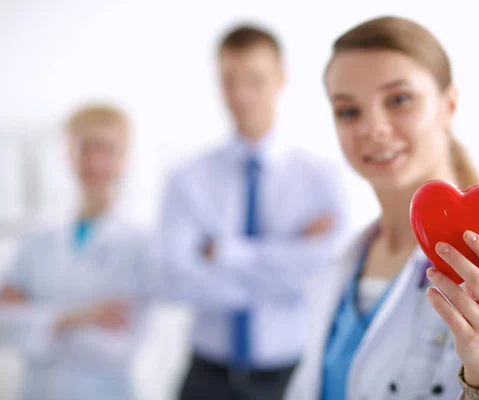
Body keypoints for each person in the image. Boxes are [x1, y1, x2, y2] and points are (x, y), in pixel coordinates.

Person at [284, 16, 479, 400]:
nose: (373, 128)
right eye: (348, 111)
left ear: (448, 104)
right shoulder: (338, 266)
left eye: (399, 100)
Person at [160, 24, 348, 400]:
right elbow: (175, 280)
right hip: (206, 376)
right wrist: (287, 253)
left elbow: (322, 274)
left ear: (280, 78)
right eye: (229, 80)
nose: (240, 95)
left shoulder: (320, 178)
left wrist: (223, 253)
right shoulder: (187, 178)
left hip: (288, 376)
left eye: (254, 80)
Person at [0, 105, 156, 400]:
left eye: (107, 149)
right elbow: (2, 325)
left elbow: (119, 347)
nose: (95, 161)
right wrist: (83, 317)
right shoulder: (37, 239)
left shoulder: (139, 245)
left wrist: (36, 319)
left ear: (124, 158)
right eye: (86, 148)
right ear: (69, 153)